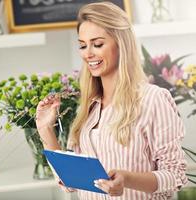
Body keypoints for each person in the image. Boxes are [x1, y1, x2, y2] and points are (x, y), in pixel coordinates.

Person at [35, 1, 187, 200]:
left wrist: (127, 179)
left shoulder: (152, 99)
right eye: (82, 45)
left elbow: (175, 175)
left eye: (97, 44)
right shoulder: (89, 107)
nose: (88, 53)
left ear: (121, 44)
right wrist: (46, 130)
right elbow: (72, 183)